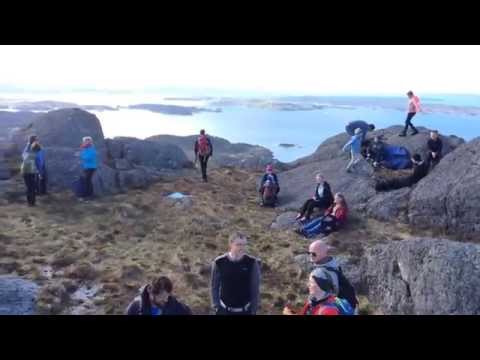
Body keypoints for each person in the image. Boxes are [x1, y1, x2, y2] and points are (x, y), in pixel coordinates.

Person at [211, 232, 261, 315]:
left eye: (244, 245)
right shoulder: (219, 262)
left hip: (245, 311)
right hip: (224, 311)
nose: (242, 248)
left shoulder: (252, 263)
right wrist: (216, 306)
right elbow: (214, 286)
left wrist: (253, 310)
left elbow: (255, 288)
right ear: (231, 244)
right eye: (238, 245)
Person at [307, 240, 359, 310]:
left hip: (339, 308)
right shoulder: (333, 264)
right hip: (349, 304)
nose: (311, 256)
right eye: (309, 253)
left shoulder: (318, 274)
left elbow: (316, 298)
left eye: (313, 254)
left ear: (321, 253)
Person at [126, 276, 192, 315]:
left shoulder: (176, 307)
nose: (166, 300)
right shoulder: (135, 308)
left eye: (167, 296)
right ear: (151, 293)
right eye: (162, 297)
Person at [21, 141, 39, 206]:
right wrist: (39, 172)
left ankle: (29, 202)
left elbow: (23, 155)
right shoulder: (36, 155)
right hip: (31, 172)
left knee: (28, 187)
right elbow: (39, 164)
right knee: (33, 187)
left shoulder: (26, 153)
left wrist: (28, 144)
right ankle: (33, 202)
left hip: (24, 172)